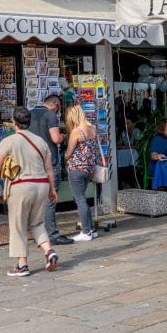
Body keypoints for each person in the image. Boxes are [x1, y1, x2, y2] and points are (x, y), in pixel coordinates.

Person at [0, 106, 59, 277]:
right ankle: (48, 251)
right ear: (29, 122)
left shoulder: (8, 141)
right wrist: (52, 189)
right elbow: (49, 169)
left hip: (21, 186)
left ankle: (22, 265)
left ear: (14, 122)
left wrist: (7, 174)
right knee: (37, 223)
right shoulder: (41, 141)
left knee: (18, 225)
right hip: (42, 185)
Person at [30, 94, 72, 245]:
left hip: (33, 161)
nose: (58, 109)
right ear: (55, 104)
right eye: (59, 106)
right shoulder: (50, 115)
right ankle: (52, 234)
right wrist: (64, 137)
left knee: (37, 200)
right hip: (49, 160)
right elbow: (55, 138)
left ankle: (39, 234)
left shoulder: (31, 113)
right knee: (50, 199)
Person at [65, 103, 103, 242]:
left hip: (76, 169)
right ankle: (91, 229)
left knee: (80, 199)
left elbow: (69, 152)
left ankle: (86, 231)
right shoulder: (92, 128)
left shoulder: (76, 131)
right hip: (89, 169)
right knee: (81, 198)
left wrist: (64, 157)